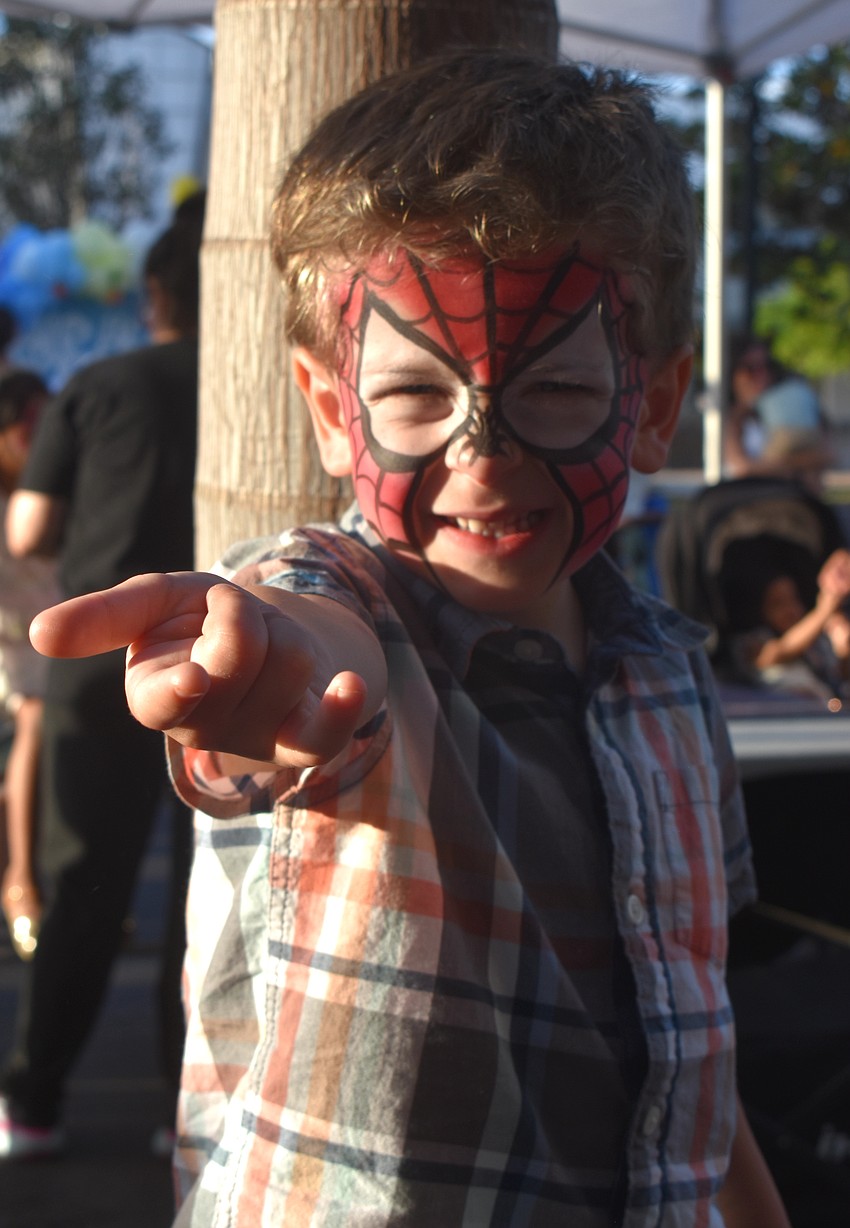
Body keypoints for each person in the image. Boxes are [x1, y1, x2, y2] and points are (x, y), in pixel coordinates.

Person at [13, 50, 789, 1225]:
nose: (483, 454)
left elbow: (690, 1052)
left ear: (656, 403)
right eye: (416, 395)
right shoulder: (338, 605)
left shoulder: (672, 678)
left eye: (558, 391)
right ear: (334, 411)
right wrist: (261, 668)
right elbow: (308, 642)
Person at [0, 217, 201, 1158]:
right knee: (208, 896)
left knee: (84, 886)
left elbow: (29, 532)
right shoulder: (270, 383)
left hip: (99, 660)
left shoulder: (99, 385)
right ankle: (183, 1109)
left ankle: (34, 1103)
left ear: (154, 295)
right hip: (224, 653)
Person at [0, 370, 60, 960]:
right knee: (36, 717)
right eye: (26, 422)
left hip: (44, 639)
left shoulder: (54, 486)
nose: (35, 435)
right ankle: (21, 877)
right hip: (12, 646)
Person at [724, 546, 850, 702]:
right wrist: (825, 607)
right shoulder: (748, 645)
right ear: (757, 609)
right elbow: (780, 651)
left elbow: (839, 679)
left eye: (794, 599)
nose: (791, 610)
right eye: (778, 604)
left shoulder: (816, 643)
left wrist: (844, 650)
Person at [724, 337, 832, 490]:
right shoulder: (730, 418)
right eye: (751, 368)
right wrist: (799, 461)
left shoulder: (793, 406)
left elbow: (828, 455)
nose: (761, 374)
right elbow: (742, 467)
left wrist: (771, 465)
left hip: (797, 498)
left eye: (766, 366)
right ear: (734, 373)